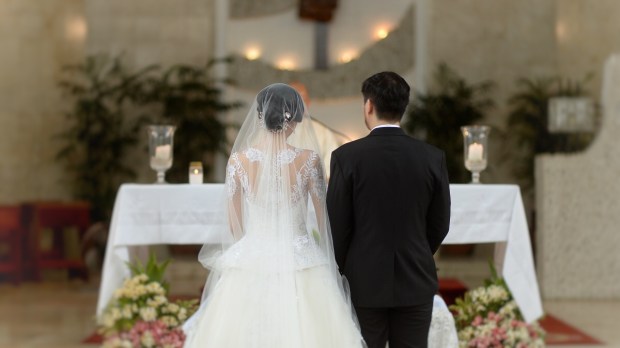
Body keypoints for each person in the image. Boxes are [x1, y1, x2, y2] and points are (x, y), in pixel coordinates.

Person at [183, 83, 365, 347]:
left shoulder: (238, 161)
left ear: (260, 116)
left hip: (252, 254)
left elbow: (234, 225)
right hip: (301, 258)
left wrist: (253, 245)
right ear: (293, 119)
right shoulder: (309, 160)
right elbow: (325, 218)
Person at [326, 72, 451, 348]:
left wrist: (350, 266)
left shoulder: (346, 157)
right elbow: (440, 223)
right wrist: (416, 249)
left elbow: (336, 225)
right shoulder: (432, 157)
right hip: (416, 278)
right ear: (403, 108)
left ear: (369, 105)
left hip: (363, 281)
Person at [289, 81, 348, 178]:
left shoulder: (323, 133)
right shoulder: (268, 132)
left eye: (301, 98)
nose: (297, 103)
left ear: (308, 102)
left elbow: (331, 172)